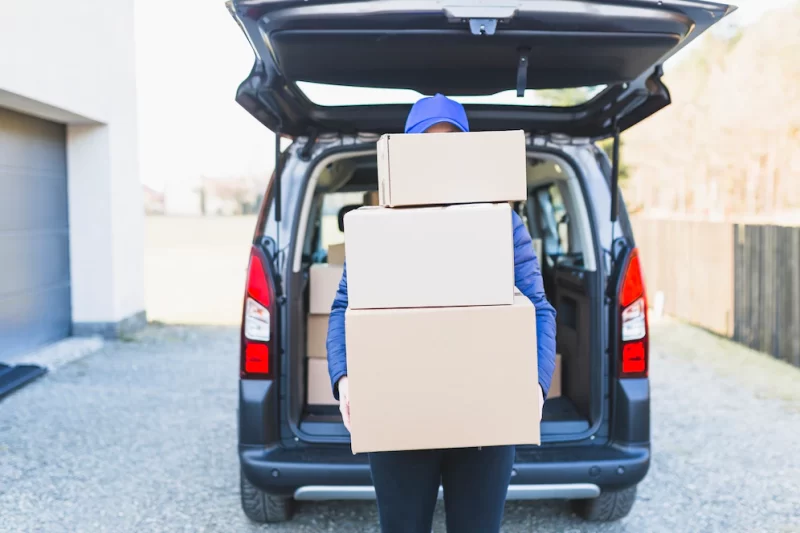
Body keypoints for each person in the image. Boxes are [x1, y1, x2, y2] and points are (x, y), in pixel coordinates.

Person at [326, 93, 557, 533]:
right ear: (408, 153)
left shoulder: (500, 222)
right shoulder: (381, 223)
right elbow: (344, 308)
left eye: (449, 144)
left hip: (485, 417)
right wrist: (346, 379)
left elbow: (538, 309)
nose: (437, 156)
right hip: (400, 410)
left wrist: (536, 385)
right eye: (427, 145)